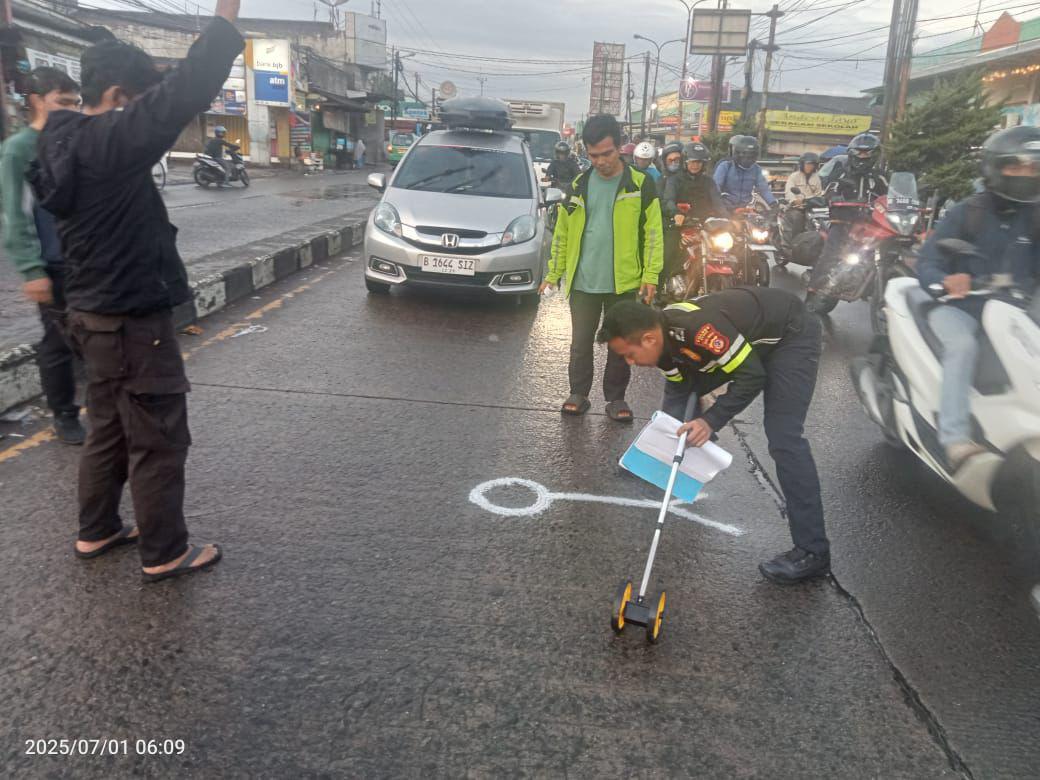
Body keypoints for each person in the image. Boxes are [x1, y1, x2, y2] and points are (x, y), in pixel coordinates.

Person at [31, 0, 244, 581]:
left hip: (90, 315)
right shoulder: (107, 142)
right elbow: (185, 91)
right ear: (119, 94)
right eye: (135, 99)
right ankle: (165, 551)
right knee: (157, 436)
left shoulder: (56, 139)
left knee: (107, 427)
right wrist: (226, 16)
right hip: (130, 318)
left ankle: (96, 530)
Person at [598, 288, 831, 583]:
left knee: (784, 437)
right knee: (685, 392)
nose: (630, 363)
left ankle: (813, 552)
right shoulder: (664, 345)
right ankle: (655, 459)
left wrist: (710, 422)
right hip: (747, 344)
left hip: (788, 335)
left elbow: (752, 376)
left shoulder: (699, 331)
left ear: (649, 339)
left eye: (629, 355)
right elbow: (681, 389)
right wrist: (656, 450)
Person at [916, 125, 1040, 470]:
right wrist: (946, 281)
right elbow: (927, 262)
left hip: (1015, 311)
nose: (1026, 174)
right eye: (1016, 166)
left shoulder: (1036, 216)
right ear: (995, 168)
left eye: (1033, 167)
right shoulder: (966, 212)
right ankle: (954, 438)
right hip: (962, 307)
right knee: (962, 348)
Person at [538, 114, 664, 422]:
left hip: (624, 281)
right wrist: (553, 274)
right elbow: (563, 233)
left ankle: (616, 399)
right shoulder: (579, 185)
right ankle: (578, 393)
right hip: (583, 281)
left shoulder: (640, 184)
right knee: (580, 342)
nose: (601, 161)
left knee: (620, 344)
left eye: (607, 154)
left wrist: (650, 275)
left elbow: (653, 234)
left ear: (619, 148)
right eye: (594, 155)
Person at [0, 67, 85, 444]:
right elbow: (13, 213)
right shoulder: (19, 149)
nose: (72, 110)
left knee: (96, 337)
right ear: (36, 100)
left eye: (76, 103)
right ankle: (65, 414)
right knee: (57, 342)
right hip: (52, 265)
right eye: (62, 102)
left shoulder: (77, 139)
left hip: (89, 260)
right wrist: (31, 269)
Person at [807, 133, 887, 298]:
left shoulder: (879, 176)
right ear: (852, 153)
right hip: (843, 219)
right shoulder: (842, 172)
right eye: (859, 152)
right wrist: (834, 196)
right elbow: (829, 189)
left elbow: (890, 195)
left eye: (868, 152)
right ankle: (813, 291)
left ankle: (873, 284)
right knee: (832, 252)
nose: (863, 156)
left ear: (875, 154)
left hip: (870, 222)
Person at [661, 141, 728, 290]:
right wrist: (677, 213)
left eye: (699, 162)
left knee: (728, 248)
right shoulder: (674, 180)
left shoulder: (708, 182)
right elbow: (668, 201)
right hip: (681, 225)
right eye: (692, 161)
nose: (695, 165)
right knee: (669, 251)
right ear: (685, 162)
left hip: (705, 227)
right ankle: (662, 288)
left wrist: (728, 219)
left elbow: (718, 203)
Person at [714, 135, 776, 210]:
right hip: (726, 208)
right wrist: (719, 204)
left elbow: (764, 188)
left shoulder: (756, 169)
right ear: (737, 154)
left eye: (751, 157)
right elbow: (715, 187)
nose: (748, 160)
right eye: (745, 156)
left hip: (746, 209)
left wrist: (773, 203)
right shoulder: (725, 166)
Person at [780, 151, 825, 256]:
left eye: (812, 165)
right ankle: (791, 246)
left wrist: (815, 201)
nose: (809, 167)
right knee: (797, 217)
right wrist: (795, 200)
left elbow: (818, 194)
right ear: (802, 164)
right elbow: (788, 192)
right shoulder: (794, 176)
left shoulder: (816, 178)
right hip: (795, 207)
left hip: (810, 207)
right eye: (807, 164)